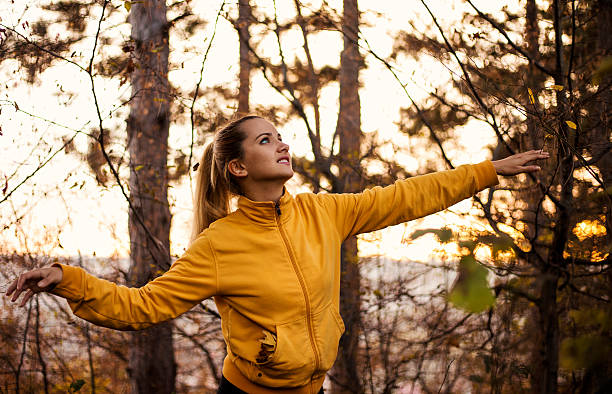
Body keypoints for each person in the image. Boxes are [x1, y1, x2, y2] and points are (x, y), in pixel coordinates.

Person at [6, 115, 549, 393]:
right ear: (237, 168)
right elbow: (141, 307)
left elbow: (405, 197)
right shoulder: (219, 244)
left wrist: (487, 171)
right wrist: (69, 278)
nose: (280, 143)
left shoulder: (322, 212)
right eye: (264, 141)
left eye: (278, 136)